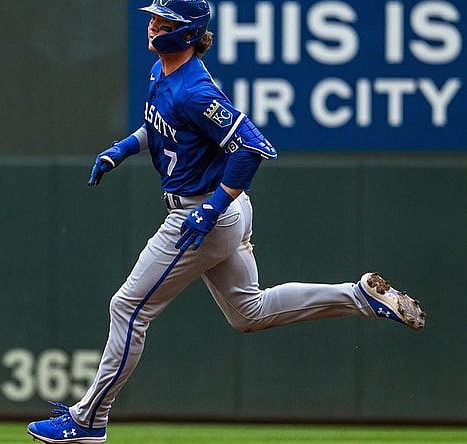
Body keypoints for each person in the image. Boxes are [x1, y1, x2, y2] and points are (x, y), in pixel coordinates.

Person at [27, 1, 426, 443]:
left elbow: (251, 148)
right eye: (155, 19)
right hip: (217, 211)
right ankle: (357, 297)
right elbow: (161, 129)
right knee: (248, 313)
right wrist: (121, 149)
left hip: (200, 214)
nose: (155, 26)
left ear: (189, 32)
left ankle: (89, 419)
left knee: (128, 308)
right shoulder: (163, 73)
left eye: (166, 22)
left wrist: (211, 208)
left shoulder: (196, 89)